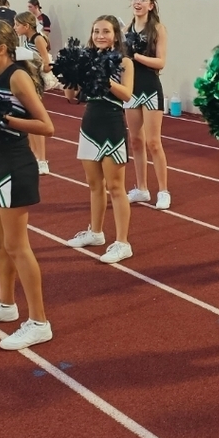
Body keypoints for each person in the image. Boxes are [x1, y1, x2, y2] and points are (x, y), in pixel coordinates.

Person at [0, 19, 56, 350]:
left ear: (1, 49)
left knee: (17, 246)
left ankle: (39, 321)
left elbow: (46, 126)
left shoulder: (16, 75)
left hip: (16, 165)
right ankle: (5, 305)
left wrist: (2, 119)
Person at [64, 15, 135, 263]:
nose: (100, 36)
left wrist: (106, 79)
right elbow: (71, 97)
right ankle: (95, 232)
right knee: (94, 185)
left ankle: (123, 242)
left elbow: (127, 95)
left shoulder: (124, 61)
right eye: (96, 31)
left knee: (116, 187)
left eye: (105, 31)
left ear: (116, 35)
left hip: (112, 124)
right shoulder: (86, 59)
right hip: (90, 124)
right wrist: (70, 75)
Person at [124, 0, 171, 211]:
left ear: (151, 5)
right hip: (131, 88)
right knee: (135, 140)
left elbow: (160, 62)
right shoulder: (125, 30)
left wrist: (136, 56)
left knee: (153, 142)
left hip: (150, 88)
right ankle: (141, 188)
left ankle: (163, 190)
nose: (138, 2)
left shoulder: (158, 29)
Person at [14, 10, 53, 173]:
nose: (14, 27)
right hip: (28, 80)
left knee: (36, 120)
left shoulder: (37, 39)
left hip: (35, 81)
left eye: (17, 24)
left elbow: (47, 62)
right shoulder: (27, 39)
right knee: (29, 120)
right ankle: (35, 157)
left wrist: (32, 58)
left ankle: (42, 160)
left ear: (26, 26)